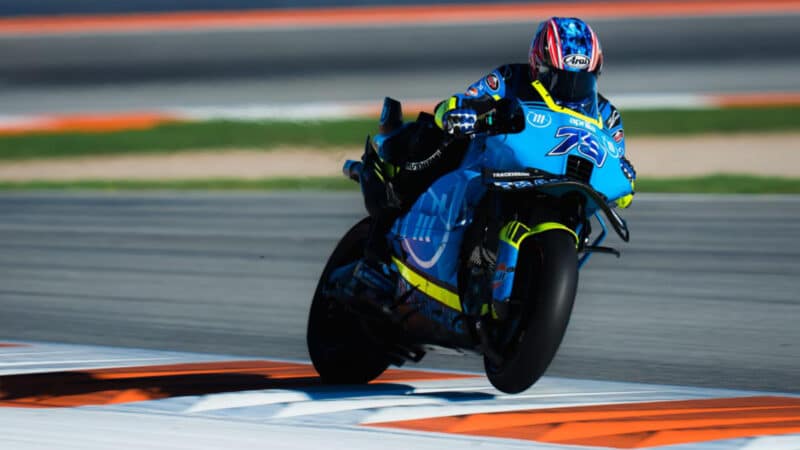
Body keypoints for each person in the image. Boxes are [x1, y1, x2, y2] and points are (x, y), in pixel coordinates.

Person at [348, 16, 636, 297]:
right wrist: (458, 112)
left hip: (564, 190)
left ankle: (534, 285)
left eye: (581, 81)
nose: (570, 89)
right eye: (560, 77)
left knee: (586, 220)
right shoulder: (512, 78)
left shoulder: (608, 117)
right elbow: (460, 101)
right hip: (497, 166)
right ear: (539, 65)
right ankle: (377, 253)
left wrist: (626, 180)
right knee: (440, 138)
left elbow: (617, 165)